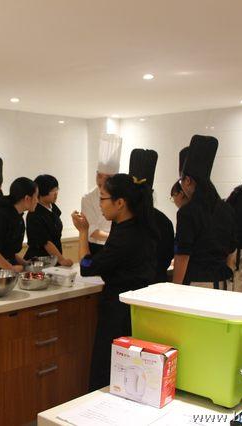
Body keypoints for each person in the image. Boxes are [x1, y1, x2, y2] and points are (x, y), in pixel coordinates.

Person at [72, 173, 157, 391]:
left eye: (103, 198)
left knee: (108, 369)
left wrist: (83, 232)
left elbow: (87, 266)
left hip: (118, 311)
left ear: (120, 203)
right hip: (135, 308)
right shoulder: (139, 226)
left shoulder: (125, 235)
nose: (100, 205)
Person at [173, 135, 236, 290]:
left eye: (181, 181)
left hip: (198, 284)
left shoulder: (187, 212)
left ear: (188, 180)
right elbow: (231, 250)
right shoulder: (226, 208)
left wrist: (175, 289)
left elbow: (182, 256)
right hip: (224, 283)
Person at [128, 148, 174, 283]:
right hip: (158, 286)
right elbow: (167, 258)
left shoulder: (124, 220)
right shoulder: (164, 221)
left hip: (130, 289)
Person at [0, 177, 38, 271]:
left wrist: (26, 264)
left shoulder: (18, 217)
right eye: (36, 196)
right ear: (27, 198)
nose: (37, 200)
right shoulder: (0, 216)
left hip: (4, 270)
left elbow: (8, 252)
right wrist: (11, 269)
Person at [81, 134, 121, 255]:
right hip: (96, 248)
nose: (101, 181)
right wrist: (118, 238)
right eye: (99, 175)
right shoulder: (88, 198)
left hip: (118, 247)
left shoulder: (123, 197)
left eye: (107, 177)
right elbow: (92, 230)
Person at [24, 174, 73, 266]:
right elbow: (46, 242)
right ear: (41, 192)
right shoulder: (34, 213)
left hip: (54, 258)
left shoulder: (53, 208)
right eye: (52, 190)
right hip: (40, 261)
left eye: (57, 189)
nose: (56, 193)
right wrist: (62, 260)